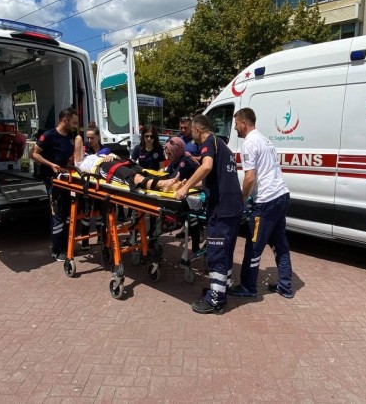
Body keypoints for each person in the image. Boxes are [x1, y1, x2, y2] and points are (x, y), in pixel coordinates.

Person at [174, 114, 243, 314]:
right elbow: (210, 178)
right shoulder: (222, 145)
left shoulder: (208, 142)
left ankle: (215, 301)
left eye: (192, 131)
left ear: (197, 130)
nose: (191, 136)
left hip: (222, 210)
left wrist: (185, 188)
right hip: (233, 208)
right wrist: (187, 183)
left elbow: (206, 166)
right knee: (226, 251)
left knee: (216, 252)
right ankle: (221, 290)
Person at [228, 108, 294, 299]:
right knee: (280, 244)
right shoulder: (265, 140)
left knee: (253, 245)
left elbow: (250, 178)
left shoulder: (249, 143)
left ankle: (248, 286)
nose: (235, 128)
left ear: (244, 123)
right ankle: (286, 286)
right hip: (281, 195)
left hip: (266, 201)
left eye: (236, 124)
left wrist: (241, 200)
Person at [29, 107, 79, 262]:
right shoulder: (48, 136)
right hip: (53, 181)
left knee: (68, 214)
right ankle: (57, 250)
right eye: (74, 122)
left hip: (67, 181)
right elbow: (33, 154)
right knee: (58, 215)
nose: (76, 125)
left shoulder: (71, 136)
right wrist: (51, 164)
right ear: (64, 120)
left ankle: (66, 245)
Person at [73, 135, 181, 191]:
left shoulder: (94, 155)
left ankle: (170, 185)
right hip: (103, 166)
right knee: (131, 176)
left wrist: (111, 155)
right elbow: (78, 139)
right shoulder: (79, 162)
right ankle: (162, 184)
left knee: (141, 170)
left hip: (114, 160)